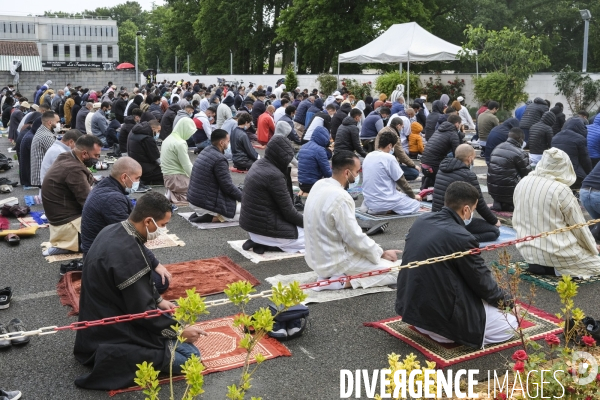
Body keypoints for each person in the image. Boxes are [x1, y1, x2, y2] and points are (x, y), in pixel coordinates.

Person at [74, 192, 204, 390]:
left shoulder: (115, 229)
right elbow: (143, 313)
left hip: (97, 325)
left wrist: (158, 300)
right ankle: (119, 359)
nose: (163, 230)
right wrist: (179, 331)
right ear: (148, 221)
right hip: (112, 333)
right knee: (192, 357)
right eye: (162, 225)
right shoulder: (127, 254)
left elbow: (141, 285)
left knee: (182, 346)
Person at [396, 181, 517, 347]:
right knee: (510, 324)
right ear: (466, 209)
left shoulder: (421, 221)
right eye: (473, 210)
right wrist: (508, 302)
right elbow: (482, 283)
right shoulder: (462, 237)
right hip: (442, 322)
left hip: (413, 313)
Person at [304, 151, 401, 290]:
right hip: (337, 262)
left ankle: (329, 277)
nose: (357, 176)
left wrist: (377, 252)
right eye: (356, 172)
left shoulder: (319, 185)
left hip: (315, 260)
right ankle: (342, 282)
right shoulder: (341, 196)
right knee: (397, 272)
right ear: (347, 172)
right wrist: (381, 253)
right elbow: (353, 236)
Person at [80, 157, 170, 291]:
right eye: (137, 178)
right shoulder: (112, 199)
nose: (138, 182)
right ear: (124, 177)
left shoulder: (105, 187)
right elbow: (129, 237)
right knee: (161, 281)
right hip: (101, 262)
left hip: (98, 254)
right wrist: (155, 263)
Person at [513, 148, 600, 278]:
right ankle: (558, 270)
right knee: (596, 265)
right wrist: (592, 248)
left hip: (527, 250)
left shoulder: (523, 182)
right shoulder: (560, 189)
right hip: (557, 253)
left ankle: (544, 266)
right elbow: (578, 227)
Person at [240, 136, 304, 254]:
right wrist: (310, 223)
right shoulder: (274, 175)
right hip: (265, 229)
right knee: (315, 239)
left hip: (253, 228)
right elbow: (289, 213)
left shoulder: (259, 164)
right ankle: (270, 245)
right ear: (282, 157)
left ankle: (261, 242)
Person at [41, 135, 102, 256]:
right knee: (106, 237)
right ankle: (68, 246)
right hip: (67, 222)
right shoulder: (74, 170)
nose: (97, 159)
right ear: (84, 154)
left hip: (59, 215)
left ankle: (67, 243)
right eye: (96, 155)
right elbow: (88, 203)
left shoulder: (67, 156)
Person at [433, 145, 500, 242]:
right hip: (454, 220)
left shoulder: (441, 170)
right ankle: (461, 238)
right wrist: (494, 220)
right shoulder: (468, 175)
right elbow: (480, 203)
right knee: (494, 232)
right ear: (470, 158)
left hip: (436, 218)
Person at [187, 129, 243, 223]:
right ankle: (211, 217)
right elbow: (228, 187)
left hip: (195, 200)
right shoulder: (219, 159)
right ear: (221, 143)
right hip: (203, 203)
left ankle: (205, 214)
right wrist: (244, 199)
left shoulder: (206, 150)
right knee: (247, 211)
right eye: (228, 141)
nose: (229, 144)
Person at [361, 131, 420, 215]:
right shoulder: (389, 158)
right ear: (390, 145)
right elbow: (401, 181)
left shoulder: (368, 156)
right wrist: (413, 196)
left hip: (369, 200)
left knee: (398, 194)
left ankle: (377, 208)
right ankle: (387, 210)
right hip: (384, 201)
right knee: (415, 204)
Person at [487, 128, 531, 212]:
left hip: (493, 191)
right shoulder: (520, 153)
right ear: (520, 139)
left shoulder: (497, 147)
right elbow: (527, 175)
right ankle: (509, 204)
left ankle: (499, 202)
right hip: (509, 192)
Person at [419, 114, 462, 189]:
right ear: (457, 124)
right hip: (433, 166)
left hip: (424, 162)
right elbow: (458, 153)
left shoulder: (439, 130)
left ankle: (427, 181)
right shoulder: (453, 133)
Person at [161, 118, 196, 205]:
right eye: (190, 132)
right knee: (199, 194)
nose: (190, 135)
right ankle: (174, 196)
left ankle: (172, 193)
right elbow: (186, 165)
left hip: (168, 178)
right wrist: (196, 179)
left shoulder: (168, 139)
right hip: (177, 178)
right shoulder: (180, 143)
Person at [551, 118, 591, 189]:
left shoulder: (555, 137)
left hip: (557, 173)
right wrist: (590, 175)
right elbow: (585, 160)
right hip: (574, 176)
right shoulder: (580, 139)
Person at [297, 126, 332, 193]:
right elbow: (328, 173)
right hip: (313, 185)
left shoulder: (304, 146)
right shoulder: (320, 150)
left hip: (302, 183)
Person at [128, 120, 164, 185]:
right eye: (158, 131)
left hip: (135, 167)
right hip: (146, 171)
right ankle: (153, 181)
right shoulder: (147, 139)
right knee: (171, 172)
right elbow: (157, 159)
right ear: (153, 129)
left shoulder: (133, 132)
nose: (159, 133)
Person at [30, 111, 59, 187]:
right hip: (43, 176)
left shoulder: (42, 130)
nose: (59, 124)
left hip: (40, 174)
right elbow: (58, 155)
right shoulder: (46, 136)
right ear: (49, 122)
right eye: (57, 122)